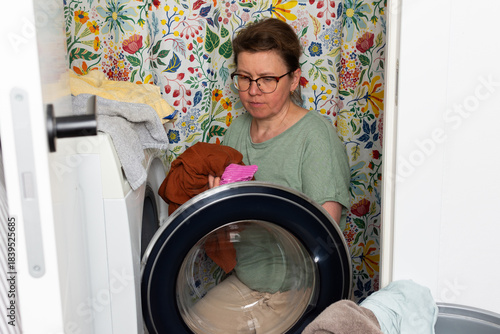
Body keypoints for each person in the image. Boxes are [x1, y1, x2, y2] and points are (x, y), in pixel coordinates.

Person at [210, 17, 350, 229]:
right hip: (240, 263)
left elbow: (324, 234)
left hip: (297, 263)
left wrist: (248, 208)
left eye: (267, 79)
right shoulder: (237, 129)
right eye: (245, 77)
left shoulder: (316, 136)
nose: (253, 91)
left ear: (294, 80)